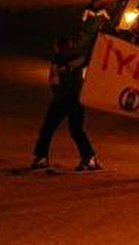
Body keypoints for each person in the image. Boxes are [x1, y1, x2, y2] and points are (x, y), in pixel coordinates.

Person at [31, 36, 99, 170]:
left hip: (74, 101)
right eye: (65, 47)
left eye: (68, 47)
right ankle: (41, 157)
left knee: (75, 131)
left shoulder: (76, 59)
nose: (67, 49)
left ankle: (89, 157)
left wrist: (99, 41)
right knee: (48, 129)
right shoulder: (57, 61)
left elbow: (87, 58)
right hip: (61, 100)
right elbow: (54, 80)